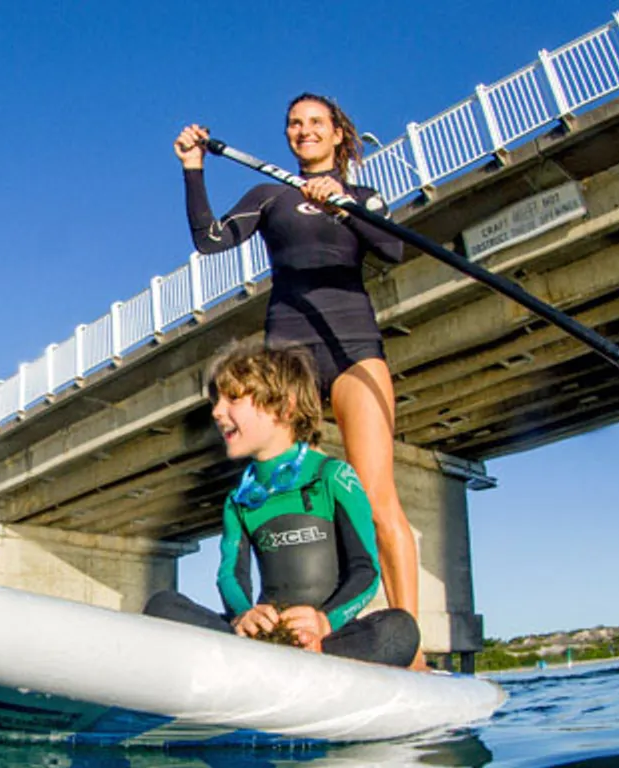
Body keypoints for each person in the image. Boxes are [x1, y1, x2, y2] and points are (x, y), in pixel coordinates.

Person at [173, 92, 424, 667]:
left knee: (377, 496)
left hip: (354, 349)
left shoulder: (362, 198)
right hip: (288, 361)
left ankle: (412, 651)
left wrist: (343, 209)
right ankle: (293, 629)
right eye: (294, 123)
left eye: (316, 123)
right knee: (293, 494)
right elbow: (210, 240)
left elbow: (395, 250)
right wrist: (193, 168)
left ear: (338, 134)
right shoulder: (270, 196)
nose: (303, 130)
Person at [144, 343, 420, 668]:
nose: (217, 412)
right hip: (263, 639)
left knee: (401, 628)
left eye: (233, 398)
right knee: (161, 606)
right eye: (216, 401)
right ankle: (253, 656)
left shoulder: (333, 476)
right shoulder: (239, 499)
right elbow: (231, 576)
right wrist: (243, 617)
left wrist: (324, 622)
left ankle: (313, 656)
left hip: (329, 639)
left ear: (284, 409)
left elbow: (365, 571)